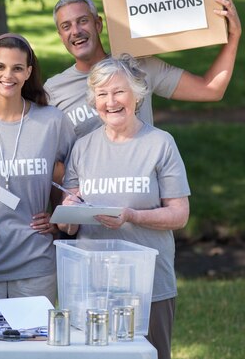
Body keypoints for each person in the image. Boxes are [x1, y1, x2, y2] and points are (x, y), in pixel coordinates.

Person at [57, 54, 191, 359]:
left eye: (119, 91)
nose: (111, 101)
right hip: (92, 286)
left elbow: (179, 214)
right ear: (93, 101)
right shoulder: (83, 147)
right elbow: (69, 222)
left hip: (149, 284)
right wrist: (70, 209)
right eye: (102, 94)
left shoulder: (160, 143)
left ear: (136, 94)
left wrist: (130, 216)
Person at [0, 33, 75, 308]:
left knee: (34, 350)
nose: (9, 75)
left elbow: (76, 173)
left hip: (36, 265)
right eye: (1, 66)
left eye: (18, 68)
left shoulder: (52, 122)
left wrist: (61, 217)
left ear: (28, 72)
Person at [45, 0, 242, 139]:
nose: (76, 31)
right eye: (66, 26)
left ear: (98, 24)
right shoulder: (53, 91)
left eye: (82, 21)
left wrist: (234, 36)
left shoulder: (137, 65)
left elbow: (210, 89)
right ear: (61, 35)